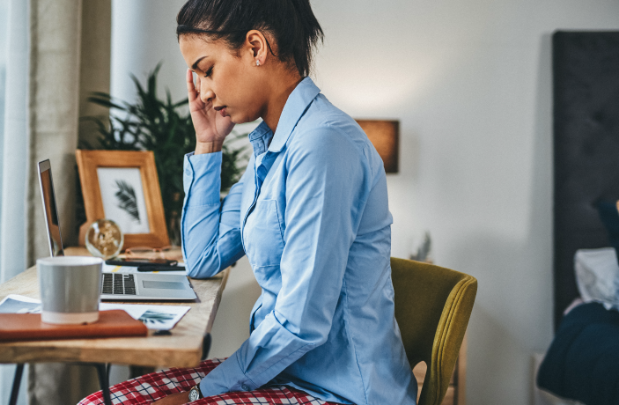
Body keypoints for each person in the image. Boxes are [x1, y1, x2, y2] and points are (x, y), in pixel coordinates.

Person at [79, 1, 417, 404]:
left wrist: (196, 395)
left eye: (207, 69)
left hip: (338, 392)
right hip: (288, 373)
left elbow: (301, 322)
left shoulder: (323, 146)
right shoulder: (272, 148)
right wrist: (208, 144)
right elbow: (203, 258)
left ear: (256, 48)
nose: (203, 92)